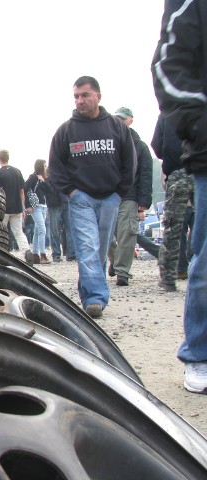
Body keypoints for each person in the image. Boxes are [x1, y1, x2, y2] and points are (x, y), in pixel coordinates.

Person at [152, 0, 207, 394]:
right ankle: (199, 352)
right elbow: (168, 67)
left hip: (182, 172)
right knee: (187, 241)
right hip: (194, 165)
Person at [48, 76, 136, 318]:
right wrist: (71, 192)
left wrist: (120, 192)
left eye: (85, 95)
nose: (80, 101)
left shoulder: (117, 128)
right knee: (87, 246)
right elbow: (55, 166)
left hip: (110, 198)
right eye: (76, 96)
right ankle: (96, 298)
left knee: (100, 249)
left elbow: (130, 162)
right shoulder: (66, 130)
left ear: (98, 96)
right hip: (81, 199)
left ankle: (87, 291)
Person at [107, 107, 153, 286]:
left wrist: (144, 201)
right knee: (106, 235)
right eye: (117, 118)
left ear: (130, 120)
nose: (119, 121)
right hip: (109, 195)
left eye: (122, 118)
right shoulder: (108, 143)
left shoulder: (140, 147)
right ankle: (116, 260)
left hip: (130, 196)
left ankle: (122, 271)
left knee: (127, 234)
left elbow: (146, 174)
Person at [151, 112, 195, 292]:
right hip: (202, 172)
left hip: (178, 170)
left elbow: (156, 144)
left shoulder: (168, 111)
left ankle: (169, 277)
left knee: (173, 226)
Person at [0, 149, 33, 263]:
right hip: (17, 207)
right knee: (18, 232)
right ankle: (27, 252)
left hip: (4, 208)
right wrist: (23, 207)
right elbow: (22, 192)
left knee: (2, 232)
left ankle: (2, 255)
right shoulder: (17, 172)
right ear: (8, 158)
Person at [24, 159, 51, 264]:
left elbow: (50, 190)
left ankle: (35, 255)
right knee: (42, 229)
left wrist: (43, 181)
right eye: (44, 166)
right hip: (36, 207)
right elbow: (24, 189)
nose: (46, 168)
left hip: (44, 206)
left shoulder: (44, 178)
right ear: (40, 167)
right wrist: (28, 205)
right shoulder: (32, 177)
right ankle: (43, 255)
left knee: (37, 230)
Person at [45, 175, 75, 262]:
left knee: (55, 229)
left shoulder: (49, 176)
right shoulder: (64, 173)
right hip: (64, 200)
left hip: (57, 203)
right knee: (69, 229)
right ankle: (71, 254)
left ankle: (57, 254)